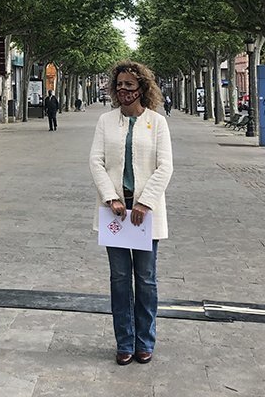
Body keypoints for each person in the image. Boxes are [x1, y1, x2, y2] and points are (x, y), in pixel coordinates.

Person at [89, 60, 173, 366]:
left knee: (146, 280)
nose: (124, 90)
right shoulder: (106, 121)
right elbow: (96, 162)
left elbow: (165, 166)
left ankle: (145, 340)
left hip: (144, 215)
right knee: (120, 280)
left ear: (142, 88)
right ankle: (124, 341)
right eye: (120, 84)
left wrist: (144, 202)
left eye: (130, 85)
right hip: (116, 213)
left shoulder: (157, 122)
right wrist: (112, 198)